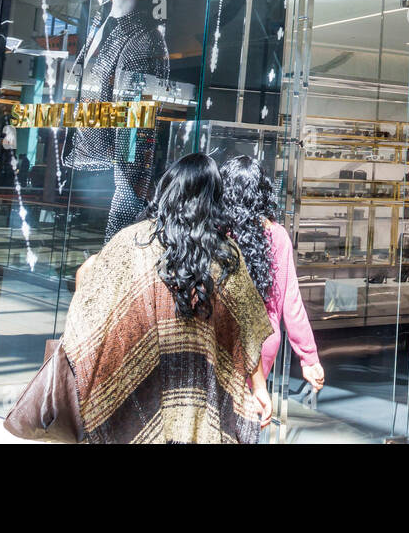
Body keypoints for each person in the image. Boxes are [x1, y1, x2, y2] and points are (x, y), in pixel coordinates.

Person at [61, 153, 274, 443]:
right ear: (214, 199)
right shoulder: (225, 255)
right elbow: (247, 329)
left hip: (141, 386)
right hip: (199, 395)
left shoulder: (132, 242)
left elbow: (86, 279)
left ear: (168, 190)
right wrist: (259, 387)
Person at [64, 0, 171, 241]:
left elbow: (134, 143)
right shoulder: (99, 18)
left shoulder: (143, 41)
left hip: (104, 176)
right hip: (79, 168)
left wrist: (117, 235)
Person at [220, 156, 324, 401]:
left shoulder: (218, 233)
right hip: (263, 341)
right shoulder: (276, 235)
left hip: (221, 336)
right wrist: (309, 358)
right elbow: (292, 302)